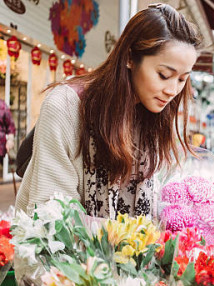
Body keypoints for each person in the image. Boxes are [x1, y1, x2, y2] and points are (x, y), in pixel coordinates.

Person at [16, 3, 201, 219]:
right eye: (163, 75)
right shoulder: (65, 106)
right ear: (130, 58)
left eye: (182, 79)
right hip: (64, 249)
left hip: (126, 251)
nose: (172, 90)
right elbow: (53, 213)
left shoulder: (154, 116)